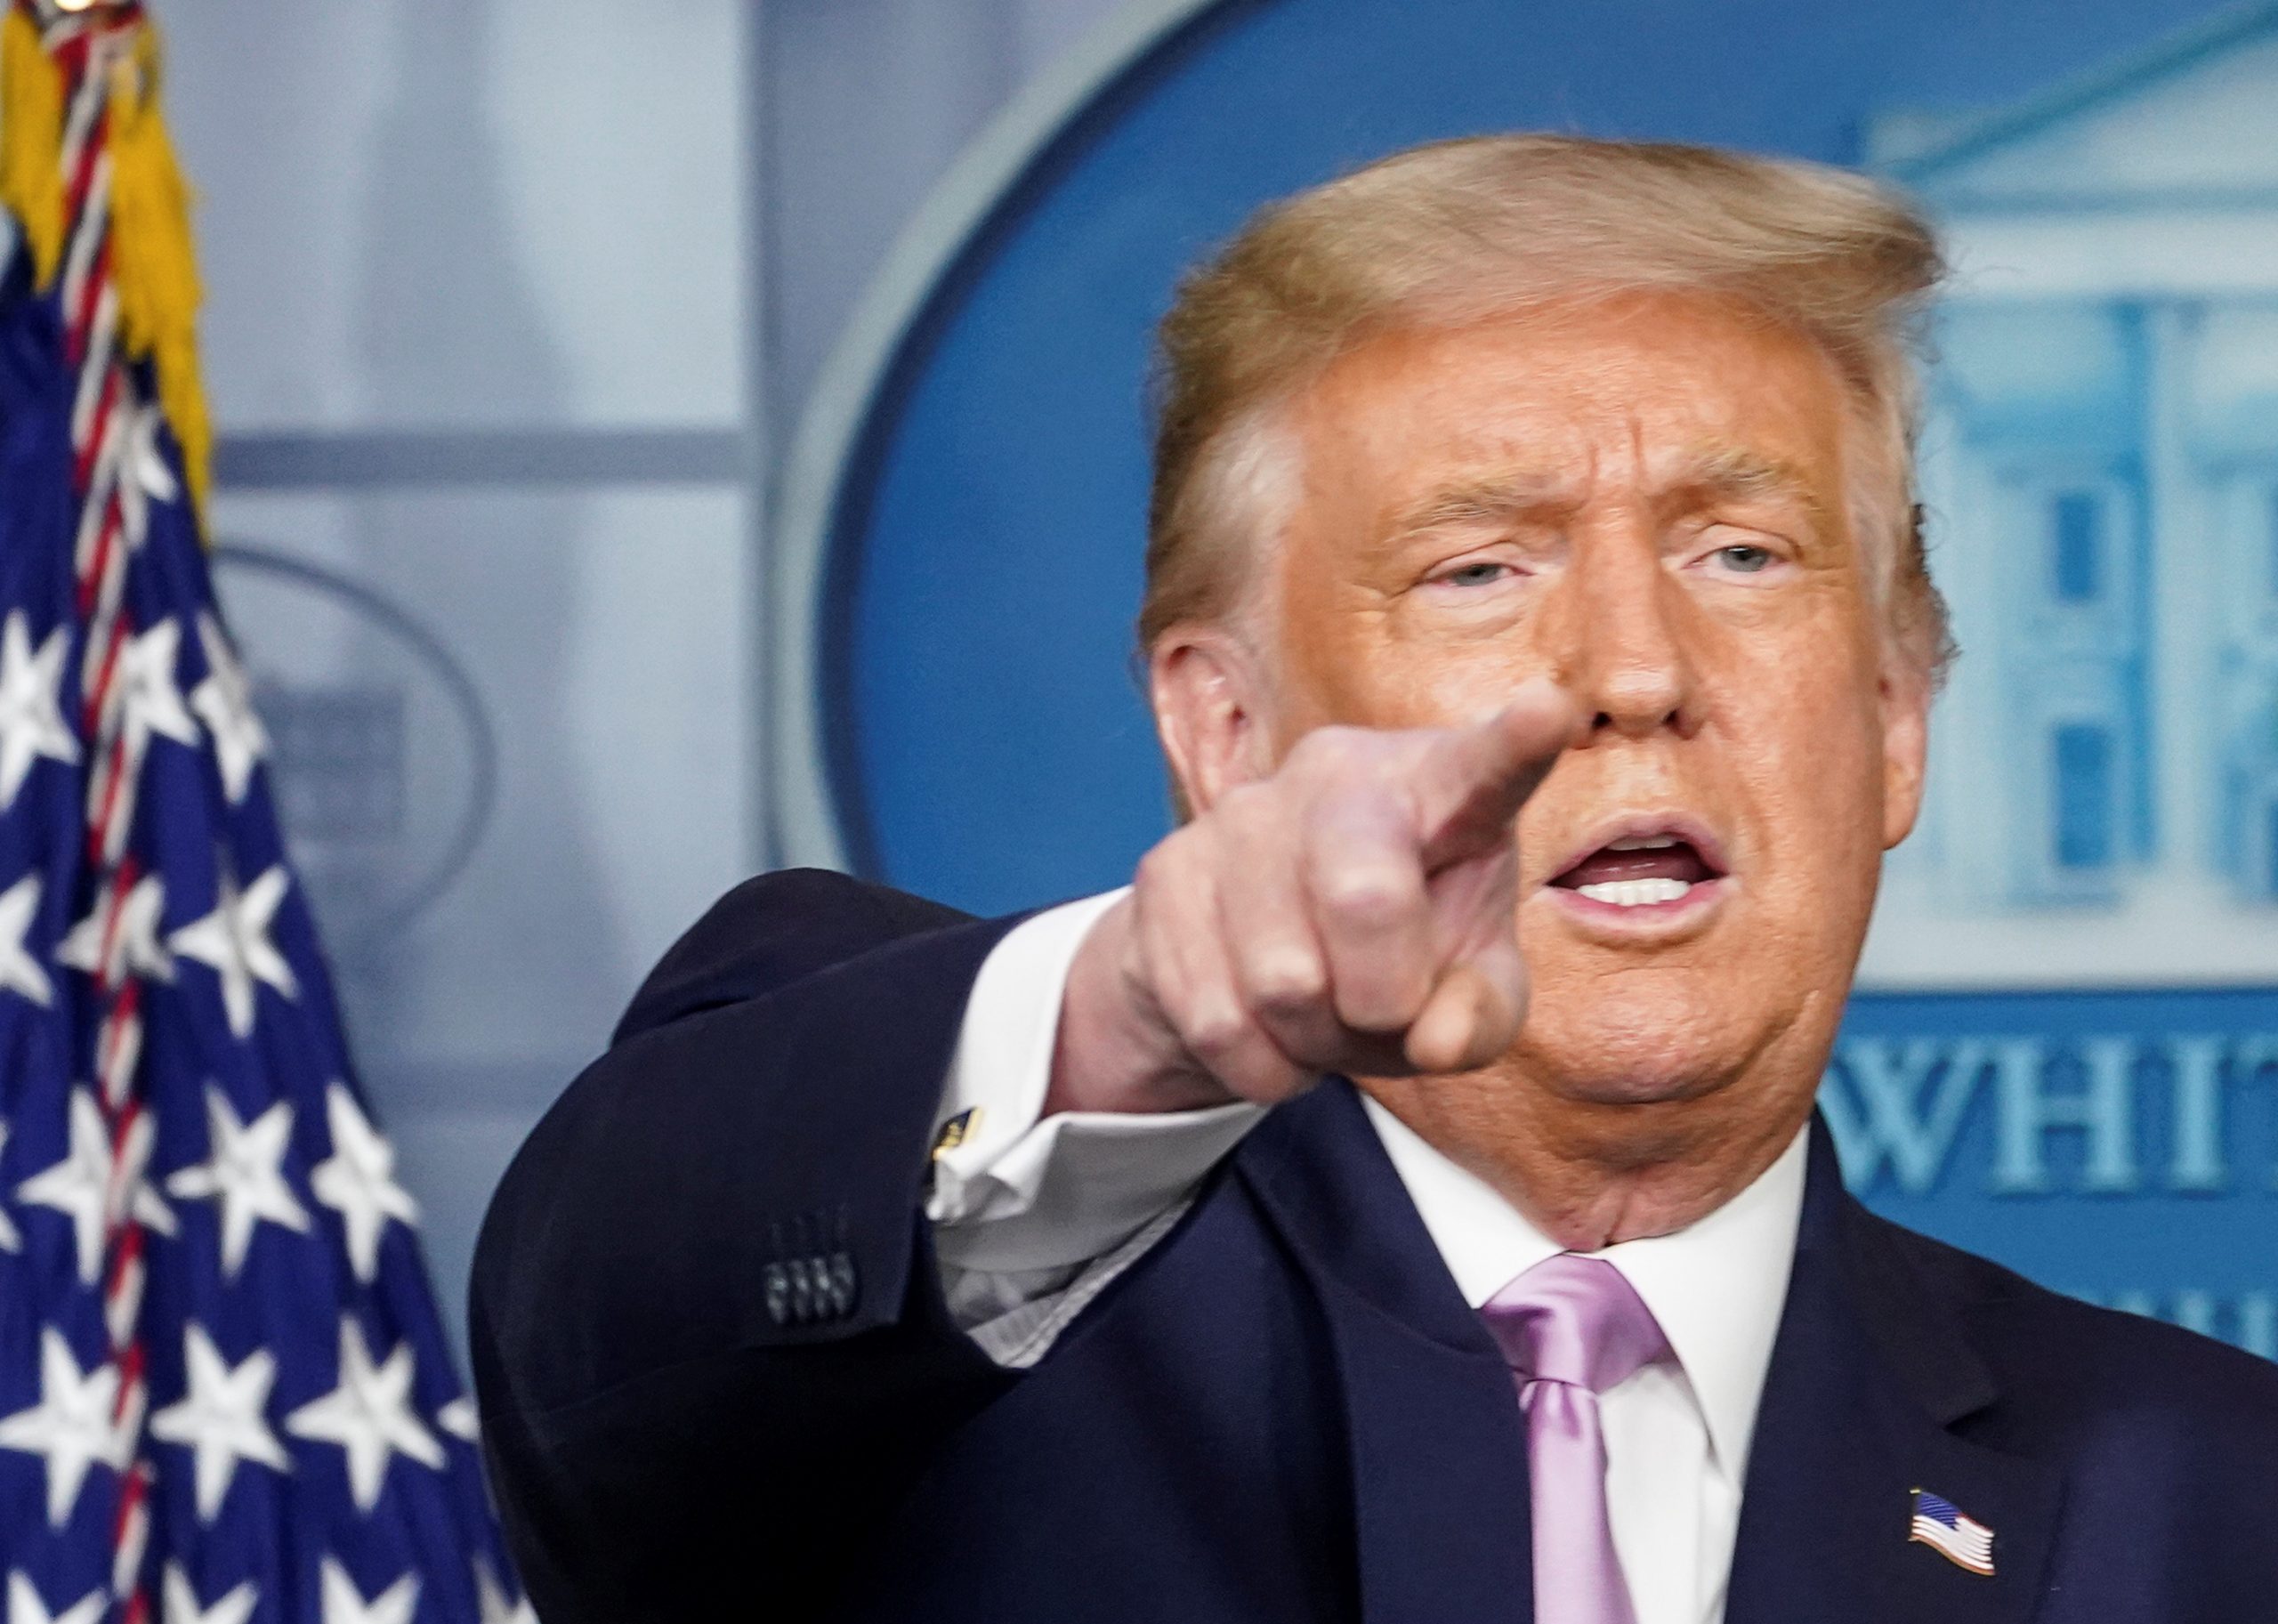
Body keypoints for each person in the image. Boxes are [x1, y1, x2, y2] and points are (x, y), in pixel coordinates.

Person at [469, 135, 2278, 1624]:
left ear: (1892, 721)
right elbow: (610, 1307)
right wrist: (1132, 1011)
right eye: (1478, 569)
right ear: (1227, 732)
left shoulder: (2207, 1495)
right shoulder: (939, 1340)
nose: (1629, 668)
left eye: (1740, 551)